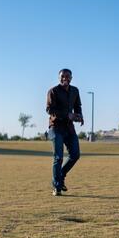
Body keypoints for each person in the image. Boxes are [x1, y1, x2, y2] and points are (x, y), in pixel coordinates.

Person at [46, 68, 83, 196]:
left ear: (71, 78)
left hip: (69, 128)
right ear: (59, 77)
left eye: (67, 76)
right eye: (62, 76)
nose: (65, 78)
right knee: (58, 157)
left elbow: (78, 106)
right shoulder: (53, 91)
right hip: (55, 128)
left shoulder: (75, 91)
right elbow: (49, 109)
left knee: (75, 155)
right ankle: (57, 186)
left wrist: (80, 116)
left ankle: (60, 176)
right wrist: (67, 115)